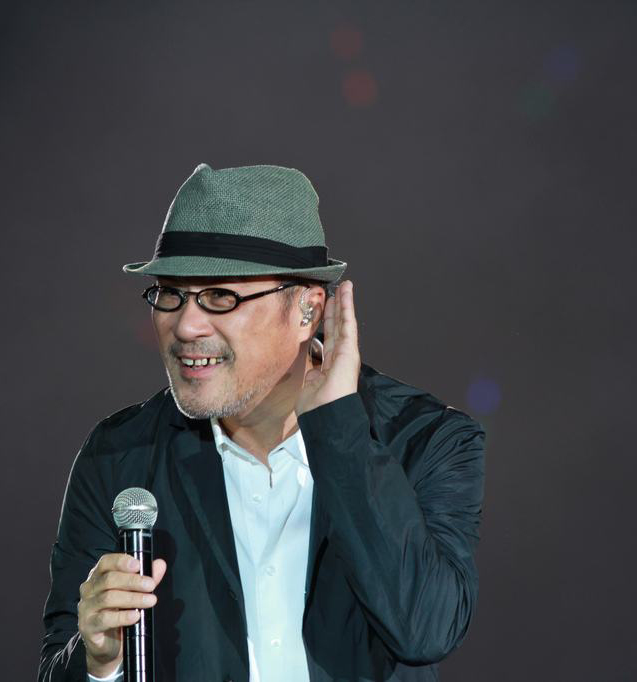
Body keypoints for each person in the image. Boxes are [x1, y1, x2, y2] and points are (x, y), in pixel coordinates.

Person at [39, 163, 486, 682]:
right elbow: (58, 662)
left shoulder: (427, 441)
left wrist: (339, 432)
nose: (186, 325)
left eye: (220, 297)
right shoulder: (118, 457)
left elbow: (425, 630)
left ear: (307, 311)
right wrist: (99, 662)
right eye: (170, 293)